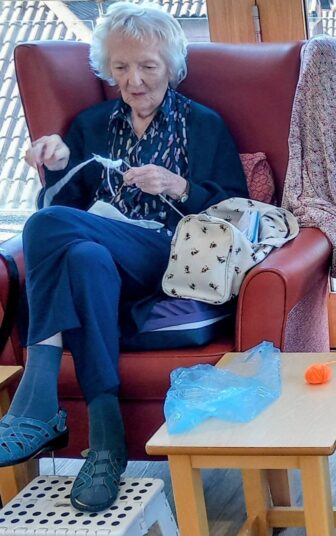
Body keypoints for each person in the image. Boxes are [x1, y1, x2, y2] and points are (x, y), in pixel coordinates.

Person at [8, 1, 247, 512]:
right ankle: (107, 445)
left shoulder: (204, 125)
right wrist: (56, 168)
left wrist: (180, 186)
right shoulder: (90, 127)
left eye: (147, 66)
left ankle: (38, 388)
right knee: (82, 258)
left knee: (49, 228)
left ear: (172, 66)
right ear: (107, 69)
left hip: (168, 252)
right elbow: (59, 217)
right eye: (120, 68)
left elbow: (233, 206)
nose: (133, 80)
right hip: (104, 260)